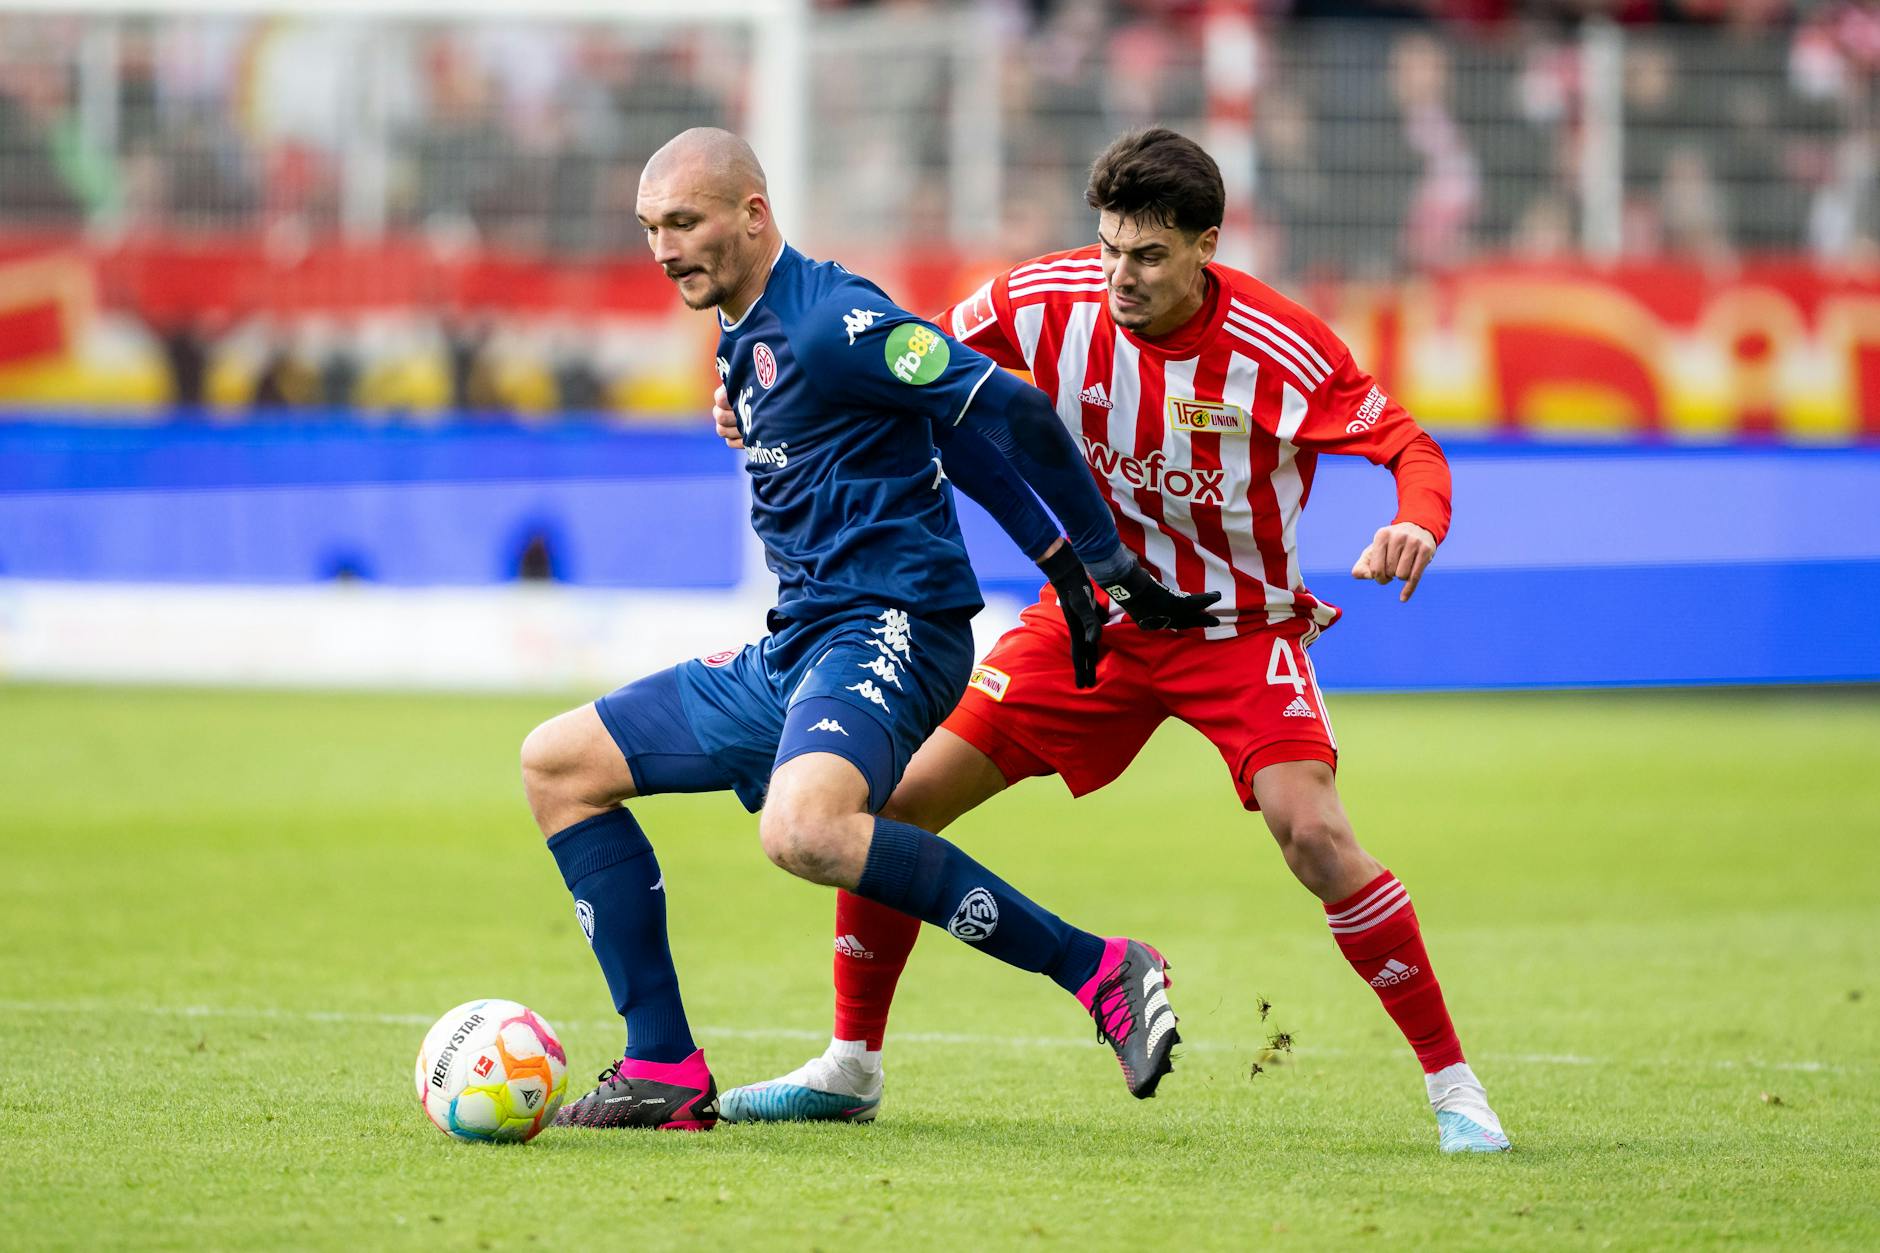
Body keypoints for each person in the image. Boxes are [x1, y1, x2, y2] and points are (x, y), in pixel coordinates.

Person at [716, 127, 1511, 1154]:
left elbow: (1404, 442)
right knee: (892, 803)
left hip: (1236, 629)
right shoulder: (1041, 299)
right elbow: (891, 357)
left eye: (1147, 255)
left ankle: (1453, 1087)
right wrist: (758, 394)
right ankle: (850, 1064)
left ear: (1205, 245)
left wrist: (1416, 520)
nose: (1119, 276)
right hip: (1092, 620)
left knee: (1311, 833)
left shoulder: (1280, 348)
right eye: (1107, 248)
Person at [520, 127, 1218, 1132]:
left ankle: (1099, 967)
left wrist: (1096, 557)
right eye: (649, 229)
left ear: (752, 214)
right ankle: (661, 1065)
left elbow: (1003, 407)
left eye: (682, 222)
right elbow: (935, 430)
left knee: (801, 830)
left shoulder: (833, 320)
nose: (663, 248)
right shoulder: (745, 331)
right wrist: (1054, 561)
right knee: (556, 764)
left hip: (891, 624)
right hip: (800, 642)